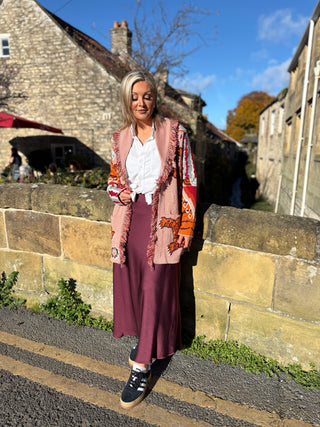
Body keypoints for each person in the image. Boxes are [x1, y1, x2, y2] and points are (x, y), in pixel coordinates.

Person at [107, 70, 197, 409]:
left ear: (155, 97)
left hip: (165, 221)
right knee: (136, 287)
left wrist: (186, 228)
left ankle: (141, 366)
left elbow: (188, 180)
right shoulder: (119, 138)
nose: (141, 102)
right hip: (131, 221)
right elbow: (113, 180)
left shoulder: (175, 133)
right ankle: (145, 341)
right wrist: (120, 191)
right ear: (126, 100)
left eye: (147, 95)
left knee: (156, 288)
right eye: (134, 96)